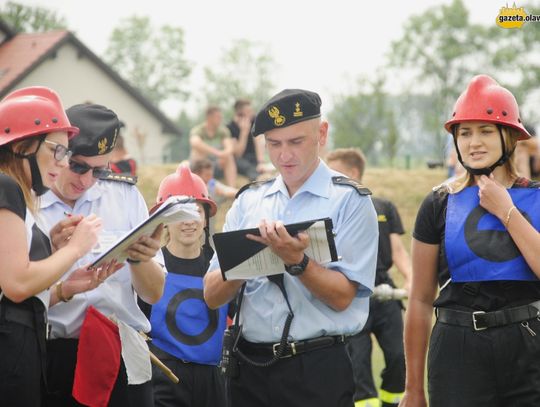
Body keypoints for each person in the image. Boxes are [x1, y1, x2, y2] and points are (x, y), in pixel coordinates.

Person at [203, 89, 379, 407]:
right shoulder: (248, 201)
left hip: (317, 367)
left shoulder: (349, 201)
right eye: (274, 144)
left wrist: (297, 262)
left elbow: (343, 297)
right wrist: (249, 260)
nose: (285, 155)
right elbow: (212, 295)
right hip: (250, 368)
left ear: (321, 134)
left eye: (296, 142)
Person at [400, 75, 540, 407]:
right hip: (457, 352)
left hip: (529, 348)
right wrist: (414, 388)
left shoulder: (535, 198)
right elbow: (420, 300)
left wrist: (506, 210)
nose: (473, 142)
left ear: (508, 137)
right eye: (464, 133)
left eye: (485, 131)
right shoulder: (438, 203)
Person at [39, 103, 167, 407]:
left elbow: (153, 294)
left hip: (121, 351)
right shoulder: (27, 199)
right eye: (79, 166)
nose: (86, 180)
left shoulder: (124, 197)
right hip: (54, 353)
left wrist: (140, 258)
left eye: (99, 171)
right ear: (59, 154)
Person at [0, 87, 108, 407]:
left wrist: (62, 288)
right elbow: (17, 285)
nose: (62, 163)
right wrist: (74, 249)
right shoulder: (7, 187)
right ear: (22, 146)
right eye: (58, 150)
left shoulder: (15, 192)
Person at [326, 147, 411, 407]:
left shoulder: (383, 207)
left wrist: (411, 279)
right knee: (359, 366)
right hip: (351, 295)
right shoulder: (329, 211)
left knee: (399, 356)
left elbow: (397, 249)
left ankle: (391, 402)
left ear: (353, 173)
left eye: (334, 173)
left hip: (385, 293)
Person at [144, 164, 228, 407]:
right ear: (164, 221)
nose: (188, 222)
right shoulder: (151, 266)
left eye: (196, 212)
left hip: (213, 380)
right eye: (178, 215)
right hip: (163, 378)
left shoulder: (219, 265)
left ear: (205, 218)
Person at [190, 106, 237, 187]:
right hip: (201, 164)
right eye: (218, 117)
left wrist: (224, 155)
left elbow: (229, 148)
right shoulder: (198, 130)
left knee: (229, 157)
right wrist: (217, 153)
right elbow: (195, 143)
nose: (220, 119)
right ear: (209, 117)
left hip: (216, 164)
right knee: (198, 153)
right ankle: (199, 187)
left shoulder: (223, 131)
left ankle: (231, 188)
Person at [227, 98, 272, 181]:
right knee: (243, 164)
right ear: (239, 113)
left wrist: (261, 162)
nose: (252, 113)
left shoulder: (254, 121)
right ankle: (258, 178)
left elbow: (259, 141)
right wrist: (244, 133)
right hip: (239, 160)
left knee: (257, 166)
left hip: (253, 158)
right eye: (248, 111)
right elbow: (238, 154)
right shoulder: (230, 127)